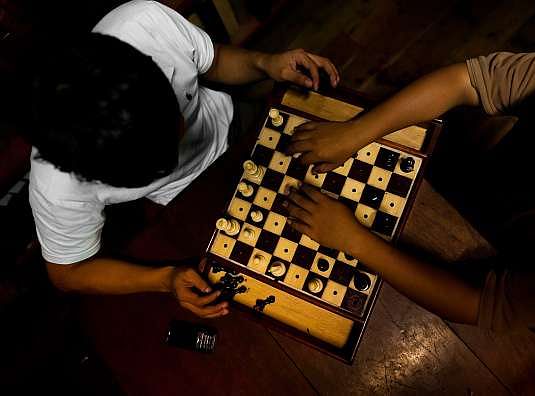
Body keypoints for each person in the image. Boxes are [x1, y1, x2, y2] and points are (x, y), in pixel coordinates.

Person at [27, 0, 339, 319]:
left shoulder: (145, 25)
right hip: (189, 201)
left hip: (236, 124)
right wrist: (165, 279)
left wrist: (264, 63)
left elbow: (212, 62)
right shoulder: (56, 186)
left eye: (174, 121)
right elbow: (67, 273)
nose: (183, 146)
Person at [284, 49, 535, 332]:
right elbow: (465, 80)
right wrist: (356, 132)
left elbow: (476, 304)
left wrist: (356, 242)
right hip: (496, 176)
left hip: (520, 262)